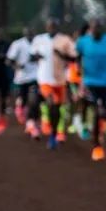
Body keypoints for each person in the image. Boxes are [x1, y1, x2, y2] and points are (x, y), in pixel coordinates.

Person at [29, 18, 78, 151]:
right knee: (50, 102)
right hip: (44, 79)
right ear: (46, 27)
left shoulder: (65, 40)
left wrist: (61, 54)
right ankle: (44, 124)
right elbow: (31, 56)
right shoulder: (39, 39)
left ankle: (53, 134)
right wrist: (37, 56)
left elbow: (73, 58)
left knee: (57, 109)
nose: (51, 28)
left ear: (57, 27)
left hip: (60, 80)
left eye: (54, 26)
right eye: (49, 26)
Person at [75, 18, 106, 161]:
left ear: (102, 28)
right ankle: (97, 147)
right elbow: (78, 56)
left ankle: (100, 132)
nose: (96, 30)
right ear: (90, 28)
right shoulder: (83, 41)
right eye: (93, 27)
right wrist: (79, 68)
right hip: (90, 82)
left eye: (99, 27)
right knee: (98, 111)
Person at [6, 27, 39, 136]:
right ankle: (19, 108)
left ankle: (31, 124)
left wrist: (37, 58)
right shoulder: (17, 44)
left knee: (33, 101)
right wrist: (17, 66)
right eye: (28, 33)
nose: (30, 35)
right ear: (24, 34)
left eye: (32, 33)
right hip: (21, 78)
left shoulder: (39, 43)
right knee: (23, 100)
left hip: (35, 77)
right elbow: (9, 60)